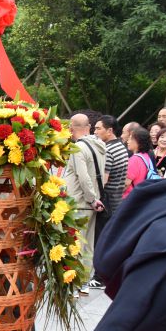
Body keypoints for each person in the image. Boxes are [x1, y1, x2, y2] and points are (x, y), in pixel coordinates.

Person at [63, 114, 106, 288]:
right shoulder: (99, 145)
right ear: (89, 126)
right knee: (87, 244)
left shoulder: (78, 148)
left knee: (75, 244)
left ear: (71, 128)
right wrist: (95, 199)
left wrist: (91, 198)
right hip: (92, 203)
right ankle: (84, 282)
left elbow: (83, 176)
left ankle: (73, 283)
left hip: (80, 202)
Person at [88, 115, 128, 288]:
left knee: (101, 240)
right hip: (117, 199)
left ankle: (100, 277)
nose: (95, 132)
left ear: (109, 130)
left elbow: (103, 180)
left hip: (108, 201)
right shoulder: (121, 146)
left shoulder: (108, 150)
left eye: (98, 128)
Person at [123, 126, 158, 198]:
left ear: (138, 141)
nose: (128, 141)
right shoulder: (146, 156)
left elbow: (126, 184)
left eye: (130, 138)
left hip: (130, 198)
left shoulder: (134, 159)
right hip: (141, 196)